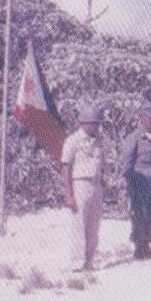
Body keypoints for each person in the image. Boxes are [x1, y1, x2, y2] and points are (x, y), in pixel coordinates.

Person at [61, 105, 105, 271]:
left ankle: (89, 260)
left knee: (94, 224)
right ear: (83, 123)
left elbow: (101, 162)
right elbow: (65, 167)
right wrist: (69, 195)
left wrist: (103, 180)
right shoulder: (73, 141)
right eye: (93, 123)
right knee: (79, 223)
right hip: (80, 183)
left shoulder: (99, 140)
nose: (96, 126)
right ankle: (77, 262)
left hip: (96, 184)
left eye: (97, 123)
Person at [122, 104, 151, 260]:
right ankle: (139, 247)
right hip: (140, 181)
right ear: (142, 119)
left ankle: (147, 244)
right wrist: (129, 183)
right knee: (139, 214)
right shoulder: (134, 138)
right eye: (149, 119)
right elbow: (127, 162)